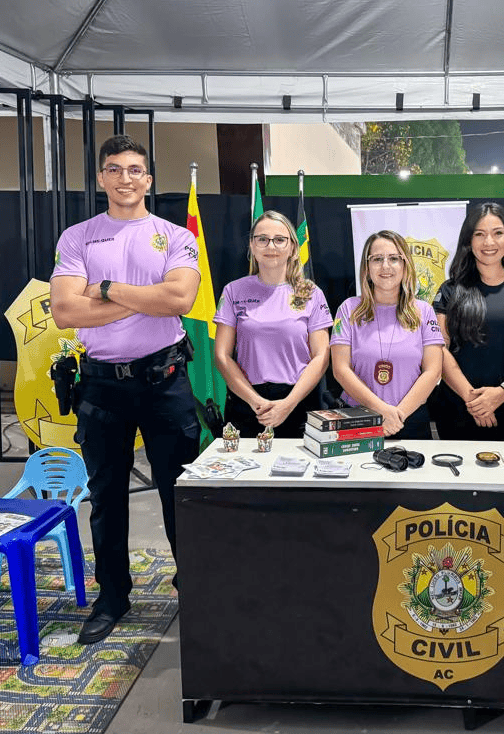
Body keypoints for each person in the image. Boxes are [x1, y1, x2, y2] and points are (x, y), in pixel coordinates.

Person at [50, 134, 201, 644]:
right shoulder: (78, 237)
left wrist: (107, 289)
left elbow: (179, 299)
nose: (125, 178)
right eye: (114, 169)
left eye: (135, 169)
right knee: (106, 497)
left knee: (180, 493)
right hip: (101, 386)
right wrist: (145, 299)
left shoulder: (174, 236)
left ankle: (194, 586)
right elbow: (65, 310)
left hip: (165, 382)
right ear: (101, 178)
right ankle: (112, 597)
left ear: (149, 179)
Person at [213, 210, 332, 438]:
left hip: (298, 404)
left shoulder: (310, 293)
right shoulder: (233, 291)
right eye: (262, 239)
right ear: (252, 245)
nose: (271, 246)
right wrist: (256, 402)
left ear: (293, 248)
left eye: (279, 240)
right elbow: (222, 356)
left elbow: (321, 357)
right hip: (247, 405)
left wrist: (288, 404)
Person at [431, 203, 504, 440]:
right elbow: (438, 349)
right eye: (480, 234)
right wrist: (472, 399)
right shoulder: (449, 290)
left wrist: (502, 393)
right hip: (459, 411)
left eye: (498, 233)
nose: (489, 242)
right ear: (468, 240)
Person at [330, 230, 444, 439]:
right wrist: (382, 411)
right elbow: (340, 369)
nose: (385, 266)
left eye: (394, 258)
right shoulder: (347, 309)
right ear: (367, 267)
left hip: (410, 419)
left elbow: (433, 371)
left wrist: (397, 416)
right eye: (377, 259)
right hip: (358, 418)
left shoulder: (424, 311)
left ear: (405, 265)